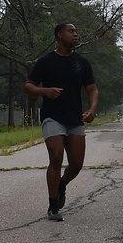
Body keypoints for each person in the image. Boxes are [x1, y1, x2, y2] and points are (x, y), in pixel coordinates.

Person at [25, 23, 99, 222]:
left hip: (75, 118)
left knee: (76, 164)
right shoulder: (46, 62)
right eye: (71, 31)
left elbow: (92, 89)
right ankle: (52, 206)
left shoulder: (81, 63)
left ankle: (62, 184)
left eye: (76, 31)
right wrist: (45, 91)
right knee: (56, 157)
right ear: (59, 35)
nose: (75, 34)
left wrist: (91, 110)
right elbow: (29, 85)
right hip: (52, 116)